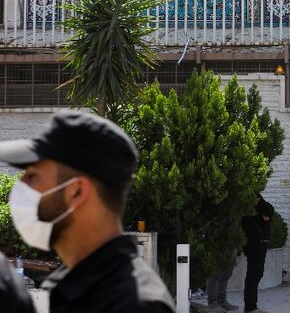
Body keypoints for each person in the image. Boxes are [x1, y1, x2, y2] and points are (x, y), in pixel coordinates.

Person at [0, 109, 175, 312]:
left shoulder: (134, 305)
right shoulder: (69, 287)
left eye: (33, 177)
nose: (19, 188)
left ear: (76, 191)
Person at [241, 194, 275, 313]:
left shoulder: (254, 193)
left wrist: (266, 216)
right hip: (253, 241)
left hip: (260, 240)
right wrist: (263, 216)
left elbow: (269, 211)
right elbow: (267, 209)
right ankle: (250, 306)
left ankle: (252, 305)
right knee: (254, 272)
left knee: (258, 272)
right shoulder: (248, 194)